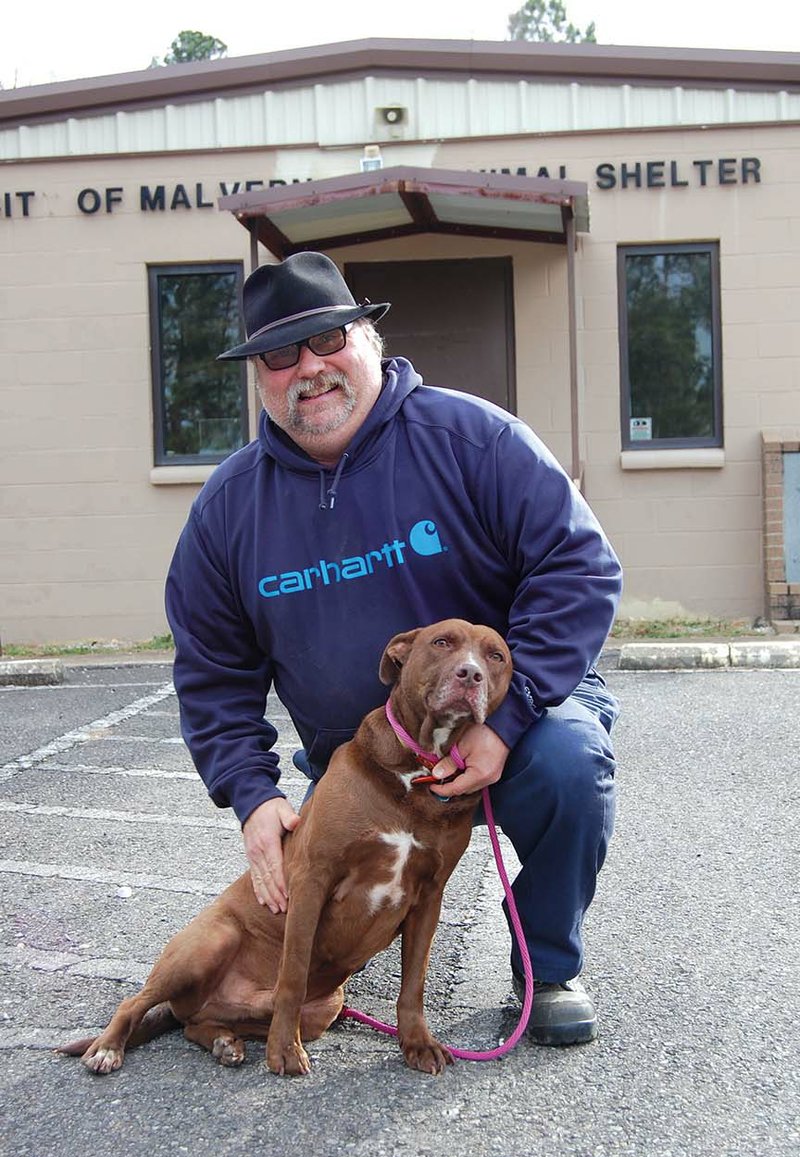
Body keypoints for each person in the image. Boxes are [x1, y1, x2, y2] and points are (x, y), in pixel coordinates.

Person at [165, 251, 622, 1046]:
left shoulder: (473, 440)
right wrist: (251, 792)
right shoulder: (228, 511)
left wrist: (506, 726)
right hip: (359, 754)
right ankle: (338, 947)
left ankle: (547, 965)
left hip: (509, 722)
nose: (310, 368)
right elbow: (212, 668)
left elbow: (579, 568)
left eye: (329, 339)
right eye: (281, 355)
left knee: (569, 768)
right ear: (260, 377)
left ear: (369, 338)